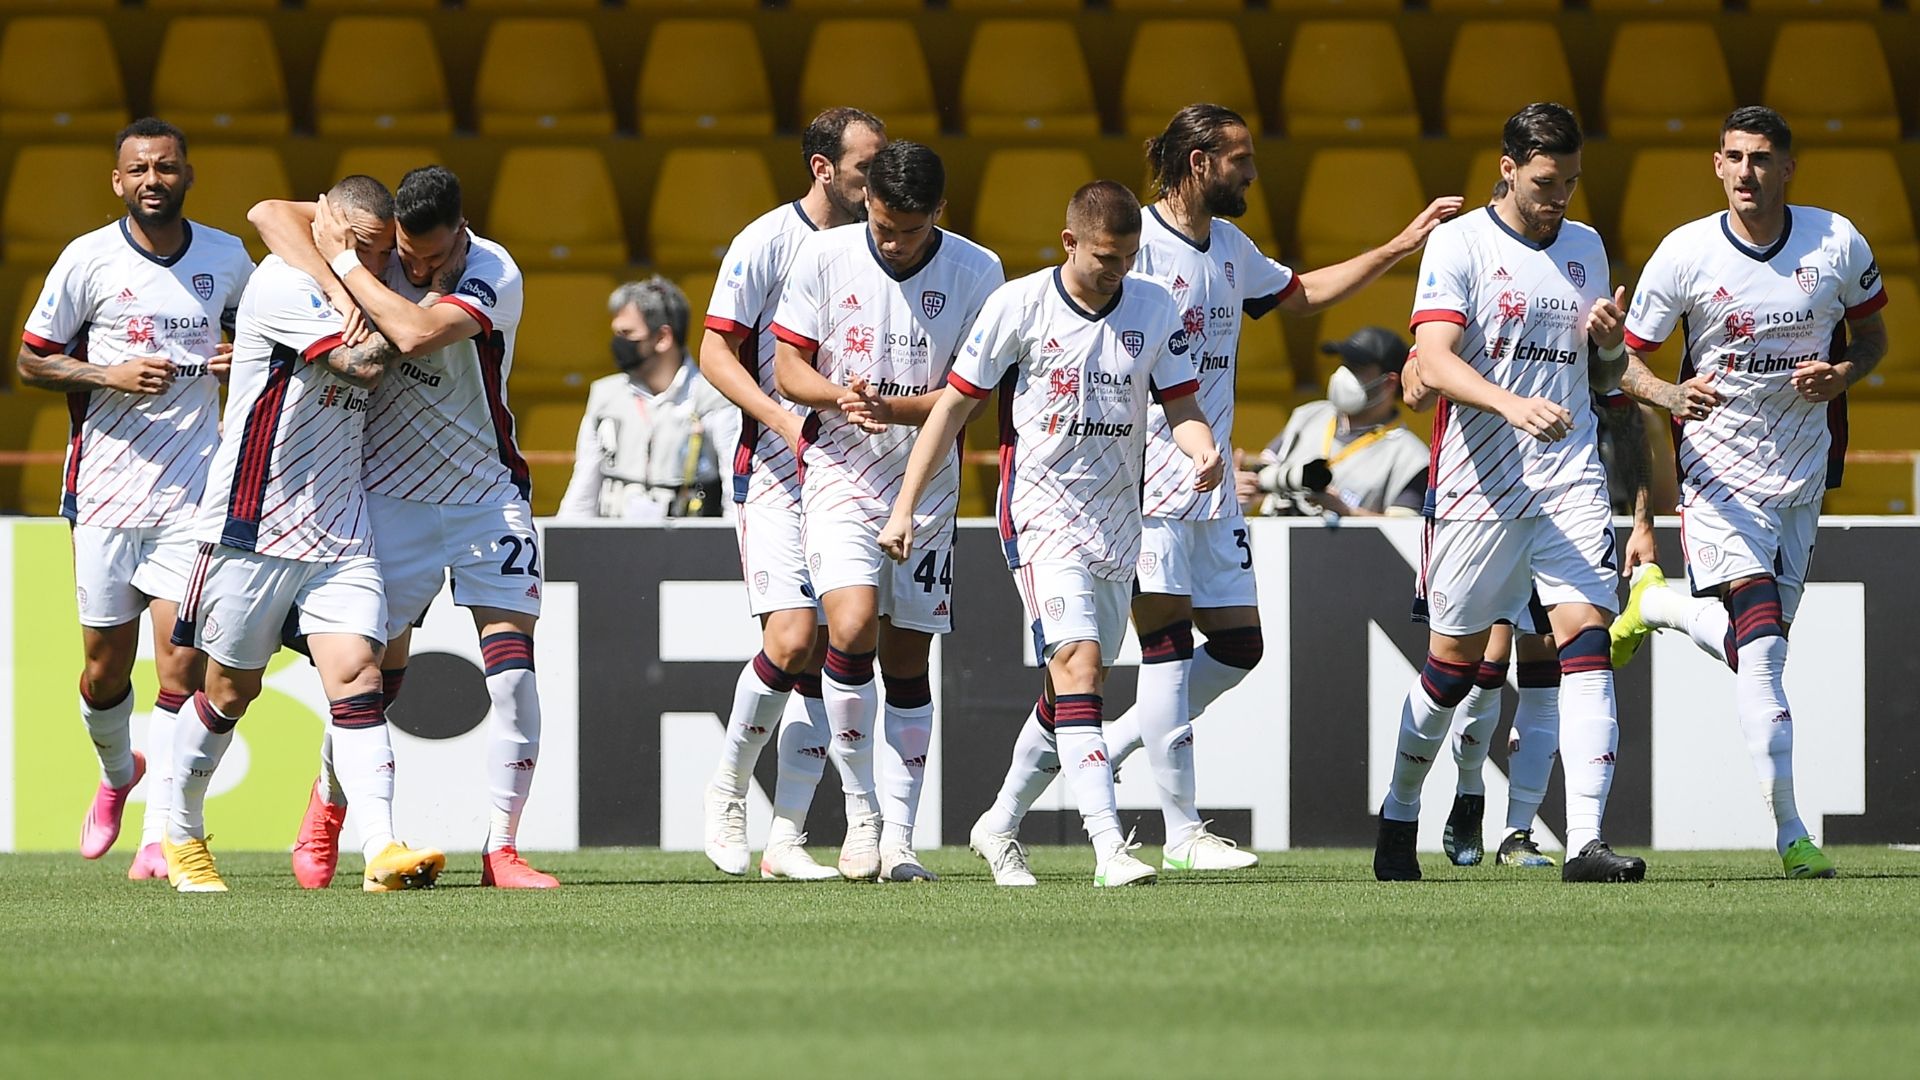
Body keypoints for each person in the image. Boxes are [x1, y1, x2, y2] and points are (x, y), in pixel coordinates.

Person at [978, 103, 1460, 872]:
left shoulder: (1230, 246)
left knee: (1238, 646)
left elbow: (1299, 295)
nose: (1253, 172)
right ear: (1199, 162)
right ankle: (1182, 832)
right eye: (1239, 159)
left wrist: (1399, 245)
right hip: (1141, 485)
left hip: (1210, 486)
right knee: (1165, 649)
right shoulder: (1132, 246)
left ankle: (1027, 798)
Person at [885, 180, 1221, 885]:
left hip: (1116, 521)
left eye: (1128, 258)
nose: (1118, 271)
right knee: (1081, 666)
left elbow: (1182, 403)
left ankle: (999, 824)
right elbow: (951, 411)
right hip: (1041, 514)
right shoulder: (1019, 305)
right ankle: (1109, 848)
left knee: (1064, 688)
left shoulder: (1154, 306)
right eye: (1105, 257)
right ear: (1069, 242)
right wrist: (903, 506)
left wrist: (1201, 449)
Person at [248, 165, 558, 889]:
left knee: (512, 675)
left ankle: (502, 851)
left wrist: (350, 263)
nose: (416, 267)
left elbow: (416, 333)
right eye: (406, 256)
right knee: (372, 683)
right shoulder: (382, 244)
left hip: (488, 494)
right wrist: (336, 279)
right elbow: (268, 212)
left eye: (431, 258)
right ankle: (325, 813)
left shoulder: (492, 272)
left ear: (463, 231)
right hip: (389, 495)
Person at [1609, 106, 1890, 879]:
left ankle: (1658, 604)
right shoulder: (1686, 253)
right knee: (1763, 652)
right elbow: (1622, 368)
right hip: (1717, 477)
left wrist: (1842, 374)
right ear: (1716, 164)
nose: (1745, 173)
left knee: (1754, 647)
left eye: (1761, 159)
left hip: (1801, 480)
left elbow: (1873, 341)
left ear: (1787, 168)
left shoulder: (1837, 242)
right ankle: (1793, 832)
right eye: (1733, 157)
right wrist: (1667, 394)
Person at [1377, 102, 1644, 884]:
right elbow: (1433, 359)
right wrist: (1508, 402)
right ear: (1507, 167)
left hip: (1569, 482)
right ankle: (1398, 810)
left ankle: (1586, 840)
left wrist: (1605, 350)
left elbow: (1603, 378)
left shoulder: (1587, 247)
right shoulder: (1459, 243)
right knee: (1452, 669)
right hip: (1480, 487)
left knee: (1586, 644)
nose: (1558, 196)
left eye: (1569, 182)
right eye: (1543, 181)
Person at [164, 175, 445, 894]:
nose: (389, 267)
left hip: (340, 525)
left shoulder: (353, 281)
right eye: (377, 252)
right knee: (230, 689)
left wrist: (368, 293)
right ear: (346, 239)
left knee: (360, 677)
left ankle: (380, 849)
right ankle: (181, 833)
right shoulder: (285, 287)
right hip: (252, 524)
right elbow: (361, 366)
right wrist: (398, 316)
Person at [15, 118, 254, 881]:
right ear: (118, 182)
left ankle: (162, 836)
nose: (153, 179)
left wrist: (240, 356)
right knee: (102, 669)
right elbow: (31, 361)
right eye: (139, 169)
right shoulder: (86, 260)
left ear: (188, 175)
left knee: (178, 668)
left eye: (166, 167)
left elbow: (263, 342)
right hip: (107, 493)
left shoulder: (225, 256)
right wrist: (106, 375)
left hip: (193, 494)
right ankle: (119, 774)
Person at [771, 139, 1003, 882]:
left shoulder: (979, 270)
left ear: (940, 211)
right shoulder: (823, 255)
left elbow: (975, 395)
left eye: (907, 229)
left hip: (928, 482)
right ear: (864, 203)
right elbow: (786, 367)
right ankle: (862, 812)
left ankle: (900, 839)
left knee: (907, 658)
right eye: (880, 225)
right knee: (849, 625)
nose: (892, 241)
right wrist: (840, 396)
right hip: (840, 467)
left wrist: (896, 409)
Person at [699, 107, 886, 880]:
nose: (877, 182)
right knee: (792, 640)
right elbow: (713, 351)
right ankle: (727, 789)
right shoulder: (767, 242)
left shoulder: (882, 244)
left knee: (838, 641)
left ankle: (785, 839)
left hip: (853, 474)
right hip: (776, 470)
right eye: (865, 168)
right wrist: (783, 419)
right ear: (821, 168)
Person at [557, 277, 737, 522]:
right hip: (615, 550)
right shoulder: (604, 397)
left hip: (693, 550)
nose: (618, 343)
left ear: (662, 338)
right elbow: (583, 486)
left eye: (627, 333)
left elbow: (733, 491)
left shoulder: (716, 397)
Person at [1253, 326, 1427, 518]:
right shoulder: (1309, 415)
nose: (1343, 374)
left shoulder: (1411, 457)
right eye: (1345, 364)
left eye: (1357, 368)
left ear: (1389, 382)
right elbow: (1261, 473)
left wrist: (1346, 512)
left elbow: (1406, 534)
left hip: (1349, 548)